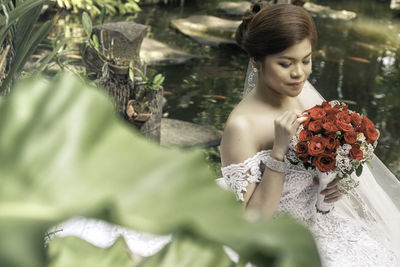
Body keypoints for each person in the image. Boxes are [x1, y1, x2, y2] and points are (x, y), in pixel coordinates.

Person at [217, 3, 400, 266]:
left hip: (321, 223)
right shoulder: (242, 126)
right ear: (256, 61)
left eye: (306, 60)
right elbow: (252, 221)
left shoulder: (302, 95)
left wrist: (335, 180)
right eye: (285, 63)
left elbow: (313, 171)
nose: (299, 73)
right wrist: (278, 151)